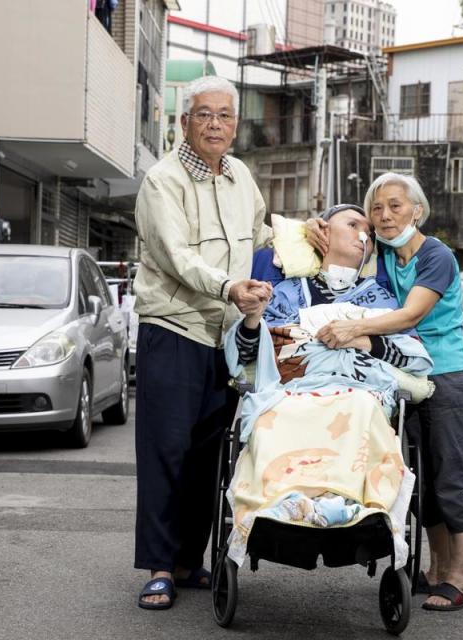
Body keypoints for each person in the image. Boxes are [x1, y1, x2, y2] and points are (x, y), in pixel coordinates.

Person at [222, 203, 433, 567]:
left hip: (359, 392)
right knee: (276, 412)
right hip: (292, 391)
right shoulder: (284, 292)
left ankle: (351, 502)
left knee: (362, 409)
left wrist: (365, 340)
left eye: (367, 230)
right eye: (351, 224)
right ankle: (280, 499)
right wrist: (255, 319)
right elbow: (246, 356)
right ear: (323, 233)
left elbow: (413, 356)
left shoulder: (380, 298)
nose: (363, 234)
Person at [310, 173, 463, 613]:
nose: (385, 216)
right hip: (402, 377)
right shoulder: (383, 253)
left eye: (395, 206)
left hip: (446, 376)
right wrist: (314, 226)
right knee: (422, 482)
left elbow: (411, 313)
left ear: (417, 211)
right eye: (377, 209)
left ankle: (459, 581)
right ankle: (436, 572)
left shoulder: (436, 255)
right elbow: (337, 242)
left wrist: (357, 327)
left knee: (452, 477)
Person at [132, 75, 272, 611]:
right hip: (173, 329)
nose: (216, 124)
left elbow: (259, 235)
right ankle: (160, 568)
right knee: (165, 452)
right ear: (184, 121)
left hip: (228, 336)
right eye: (205, 114)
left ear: (235, 125)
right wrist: (228, 285)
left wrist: (303, 234)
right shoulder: (162, 180)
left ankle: (191, 562)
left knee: (209, 459)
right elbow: (173, 255)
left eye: (225, 116)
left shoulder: (240, 176)